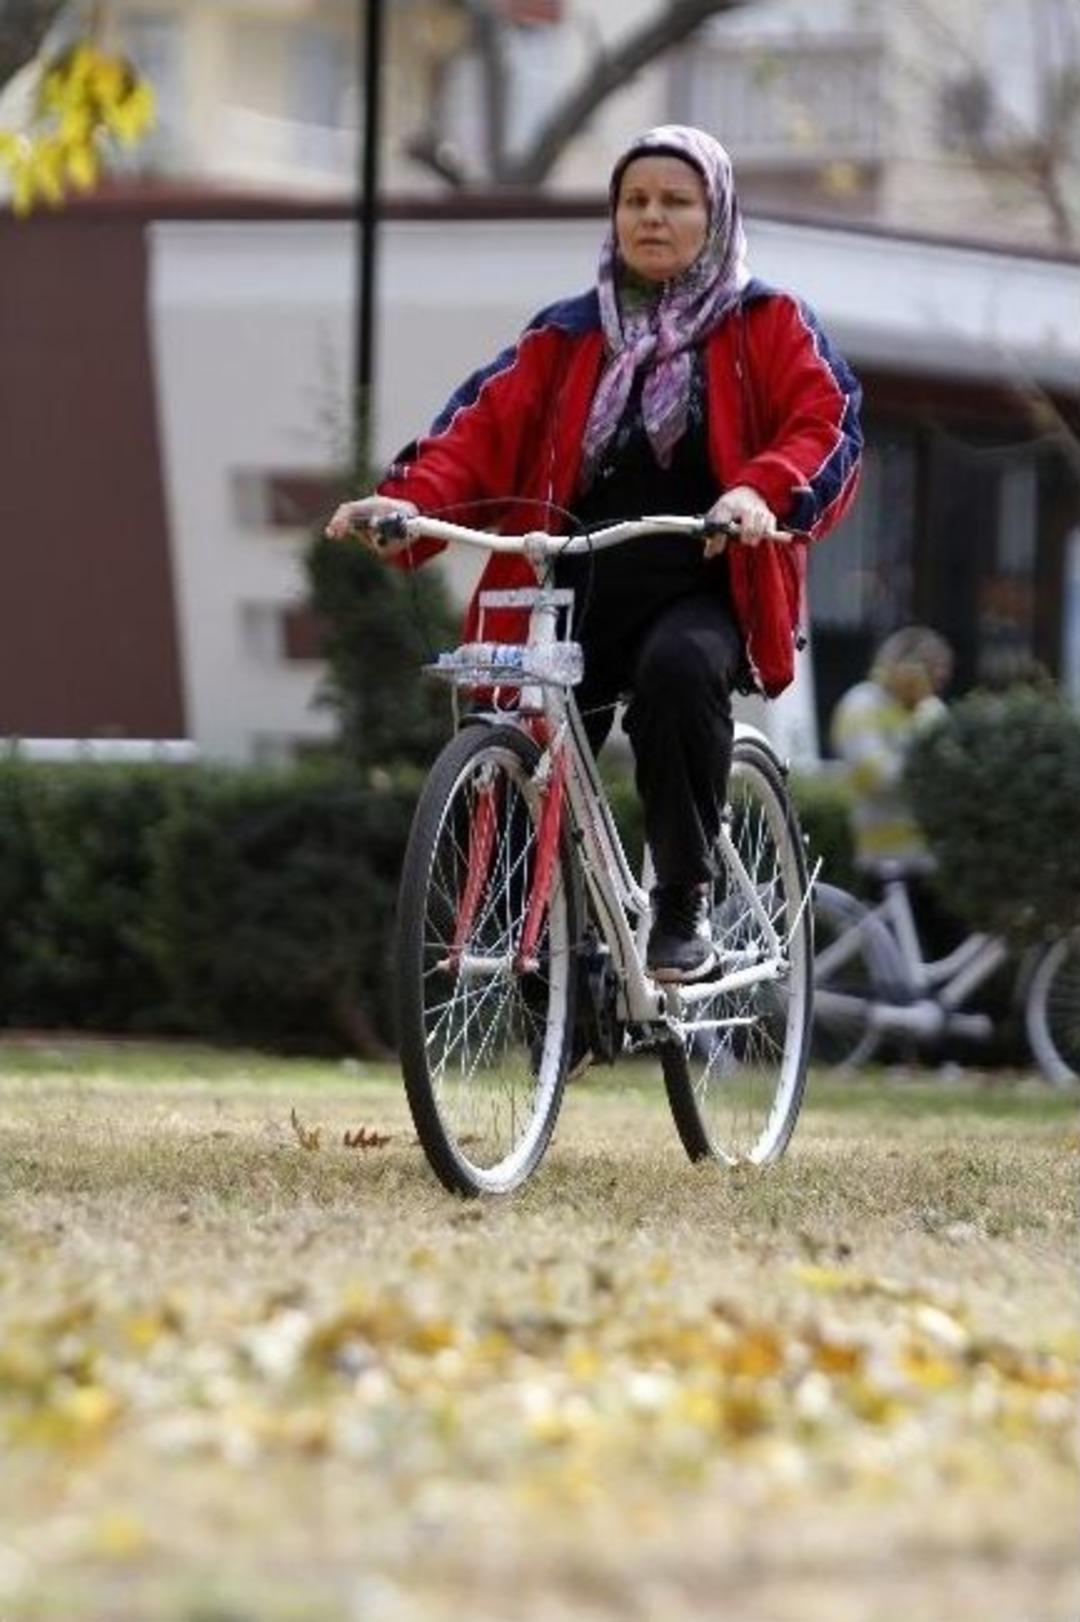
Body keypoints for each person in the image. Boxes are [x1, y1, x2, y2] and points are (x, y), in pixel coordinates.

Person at [327, 123, 862, 982]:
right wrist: (409, 501)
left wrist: (759, 490)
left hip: (706, 575)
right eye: (634, 201)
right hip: (577, 576)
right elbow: (477, 434)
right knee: (515, 716)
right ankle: (552, 952)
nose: (651, 218)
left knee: (679, 674)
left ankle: (682, 900)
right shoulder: (566, 335)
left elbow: (824, 423)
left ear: (716, 214)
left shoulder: (769, 323)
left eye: (676, 202)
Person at [830, 625, 954, 868]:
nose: (933, 686)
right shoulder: (860, 706)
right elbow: (877, 778)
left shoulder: (932, 710)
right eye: (928, 673)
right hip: (883, 860)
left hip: (934, 858)